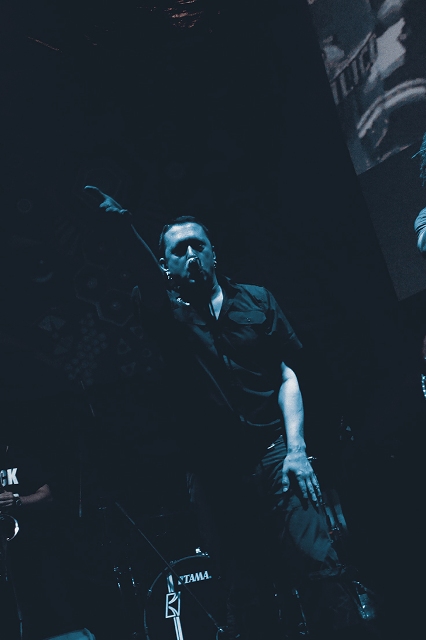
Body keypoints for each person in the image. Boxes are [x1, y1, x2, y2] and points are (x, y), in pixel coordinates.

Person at [83, 185, 373, 640]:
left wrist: (297, 450)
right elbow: (146, 276)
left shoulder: (256, 300)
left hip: (275, 453)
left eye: (198, 245)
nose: (191, 255)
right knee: (245, 589)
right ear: (166, 264)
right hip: (215, 470)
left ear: (214, 252)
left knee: (322, 568)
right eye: (179, 250)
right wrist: (123, 229)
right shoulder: (162, 312)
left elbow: (286, 374)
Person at [0, 441, 75, 640]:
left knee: (47, 602)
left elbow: (47, 495)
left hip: (34, 542)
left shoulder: (20, 456)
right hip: (5, 549)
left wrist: (17, 500)